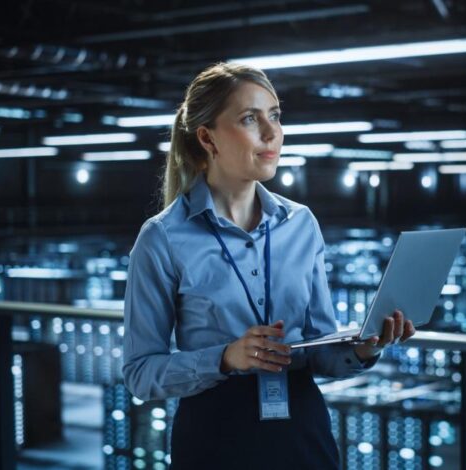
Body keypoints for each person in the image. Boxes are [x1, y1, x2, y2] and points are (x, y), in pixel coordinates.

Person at [122, 62, 416, 469]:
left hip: (303, 435)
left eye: (275, 115)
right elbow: (140, 373)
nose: (271, 131)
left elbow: (320, 350)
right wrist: (225, 357)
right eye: (249, 118)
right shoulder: (162, 238)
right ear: (207, 138)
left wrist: (368, 345)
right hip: (215, 439)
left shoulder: (302, 224)